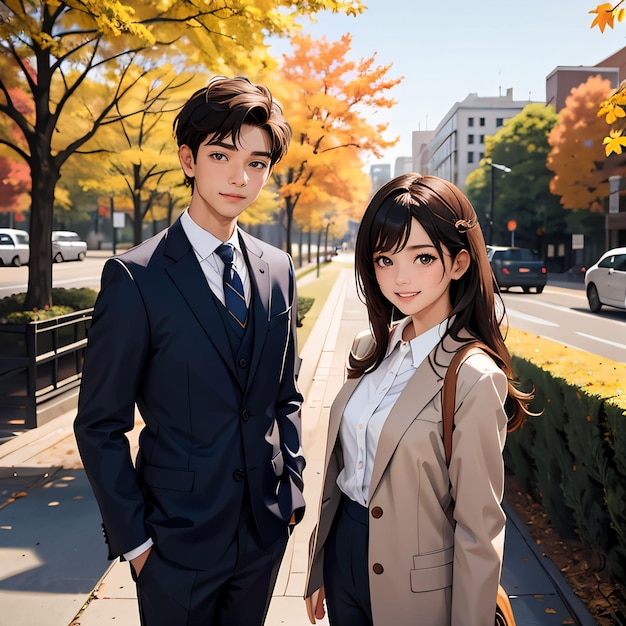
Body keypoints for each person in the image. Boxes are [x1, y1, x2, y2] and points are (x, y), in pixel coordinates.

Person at [74, 76, 305, 626]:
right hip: (173, 545)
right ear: (188, 159)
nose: (239, 177)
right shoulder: (135, 277)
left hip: (263, 534)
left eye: (257, 162)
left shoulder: (278, 269)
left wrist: (291, 494)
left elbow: (285, 395)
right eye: (221, 155)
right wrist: (136, 543)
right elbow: (100, 424)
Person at [304, 173, 532, 625]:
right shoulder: (370, 348)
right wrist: (319, 567)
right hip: (343, 556)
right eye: (385, 259)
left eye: (422, 257)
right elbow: (346, 469)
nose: (400, 278)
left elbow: (479, 529)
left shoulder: (473, 377)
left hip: (418, 586)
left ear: (460, 263)